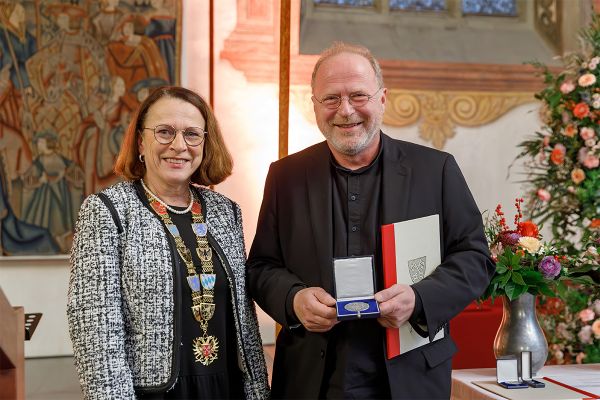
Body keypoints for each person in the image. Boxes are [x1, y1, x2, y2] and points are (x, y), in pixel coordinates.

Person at [246, 42, 495, 399]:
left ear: (382, 98)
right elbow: (261, 266)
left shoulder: (435, 170)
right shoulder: (285, 176)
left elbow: (475, 259)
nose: (345, 110)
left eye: (358, 95)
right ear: (314, 105)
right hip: (312, 377)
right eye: (331, 99)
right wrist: (294, 300)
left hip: (410, 372)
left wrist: (419, 298)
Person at [67, 86, 269, 399]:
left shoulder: (226, 211)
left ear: (205, 142)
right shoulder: (108, 211)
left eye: (192, 134)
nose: (179, 145)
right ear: (140, 143)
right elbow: (96, 329)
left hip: (226, 386)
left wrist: (258, 390)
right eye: (164, 132)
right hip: (154, 391)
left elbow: (244, 318)